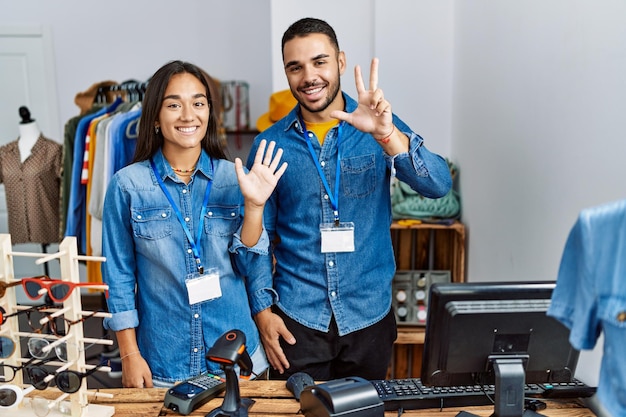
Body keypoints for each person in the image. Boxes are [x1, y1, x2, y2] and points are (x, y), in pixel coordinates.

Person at [246, 17, 452, 381]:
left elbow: (438, 185)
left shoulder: (376, 124)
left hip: (369, 317)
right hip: (298, 320)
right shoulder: (269, 144)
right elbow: (257, 238)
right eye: (296, 67)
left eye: (319, 61)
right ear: (287, 73)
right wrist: (263, 313)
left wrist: (388, 136)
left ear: (340, 62)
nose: (308, 76)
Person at [101, 60, 287, 388]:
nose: (189, 115)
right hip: (165, 363)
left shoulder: (236, 178)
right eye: (174, 104)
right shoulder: (128, 185)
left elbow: (250, 265)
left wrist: (255, 207)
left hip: (239, 360)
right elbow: (118, 278)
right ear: (155, 117)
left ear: (209, 113)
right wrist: (129, 355)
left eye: (198, 103)